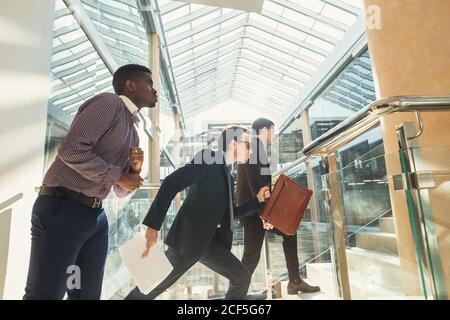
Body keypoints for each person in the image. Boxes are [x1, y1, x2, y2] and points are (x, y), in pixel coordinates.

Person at [23, 64, 158, 300]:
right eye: (150, 84)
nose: (155, 90)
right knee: (45, 295)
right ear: (130, 85)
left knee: (86, 296)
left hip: (95, 217)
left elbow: (119, 189)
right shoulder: (109, 104)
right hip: (63, 207)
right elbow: (71, 151)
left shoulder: (133, 130)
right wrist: (119, 175)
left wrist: (134, 170)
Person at [125, 126, 271, 300]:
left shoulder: (228, 175)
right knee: (150, 287)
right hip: (189, 241)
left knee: (241, 276)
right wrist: (153, 226)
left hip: (210, 244)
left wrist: (257, 200)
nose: (251, 150)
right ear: (234, 143)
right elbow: (171, 183)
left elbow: (229, 214)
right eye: (248, 145)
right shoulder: (209, 158)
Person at [235, 118, 320, 295]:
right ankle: (235, 294)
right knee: (251, 258)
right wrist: (264, 214)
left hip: (252, 210)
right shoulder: (255, 148)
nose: (273, 135)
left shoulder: (256, 148)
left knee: (289, 232)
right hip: (252, 212)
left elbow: (258, 184)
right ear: (264, 130)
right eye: (273, 131)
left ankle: (294, 281)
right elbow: (254, 185)